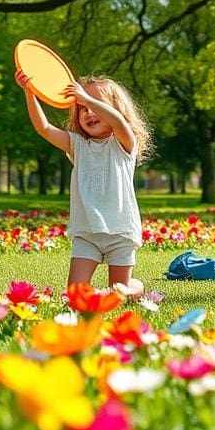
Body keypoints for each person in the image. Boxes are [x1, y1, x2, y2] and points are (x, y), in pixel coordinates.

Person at [15, 69, 153, 295]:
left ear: (115, 108)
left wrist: (85, 97)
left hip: (120, 233)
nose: (88, 111)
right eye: (81, 109)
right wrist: (29, 92)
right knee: (75, 293)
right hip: (86, 233)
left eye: (96, 104)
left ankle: (136, 287)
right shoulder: (77, 145)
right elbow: (44, 128)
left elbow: (118, 122)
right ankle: (108, 292)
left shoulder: (123, 143)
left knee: (119, 292)